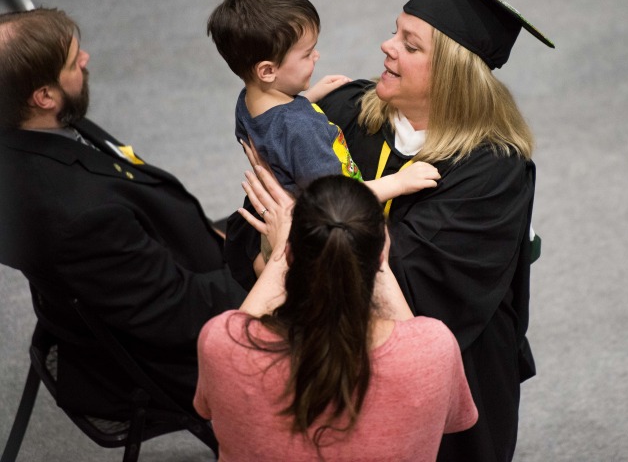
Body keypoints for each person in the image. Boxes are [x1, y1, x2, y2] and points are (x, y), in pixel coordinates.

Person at [227, 0, 555, 462]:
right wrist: (272, 247)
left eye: (409, 44)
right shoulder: (336, 113)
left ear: (452, 72)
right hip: (318, 364)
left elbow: (413, 290)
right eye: (394, 31)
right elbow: (253, 216)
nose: (385, 46)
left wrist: (283, 248)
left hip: (433, 385)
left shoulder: (491, 170)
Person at [0, 8, 247, 418]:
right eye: (73, 60)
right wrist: (284, 272)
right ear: (43, 96)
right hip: (183, 350)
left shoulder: (37, 128)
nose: (87, 59)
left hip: (172, 259)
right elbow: (177, 312)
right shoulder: (77, 216)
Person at [195, 171, 478, 462]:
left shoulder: (220, 342)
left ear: (291, 256)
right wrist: (377, 261)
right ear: (380, 255)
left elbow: (209, 403)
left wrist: (281, 251)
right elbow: (452, 420)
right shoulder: (435, 349)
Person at [207, 0, 439, 267]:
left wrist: (308, 99)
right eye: (306, 54)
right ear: (268, 71)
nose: (316, 56)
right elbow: (335, 198)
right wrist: (399, 182)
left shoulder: (248, 101)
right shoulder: (304, 132)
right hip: (315, 240)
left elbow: (272, 128)